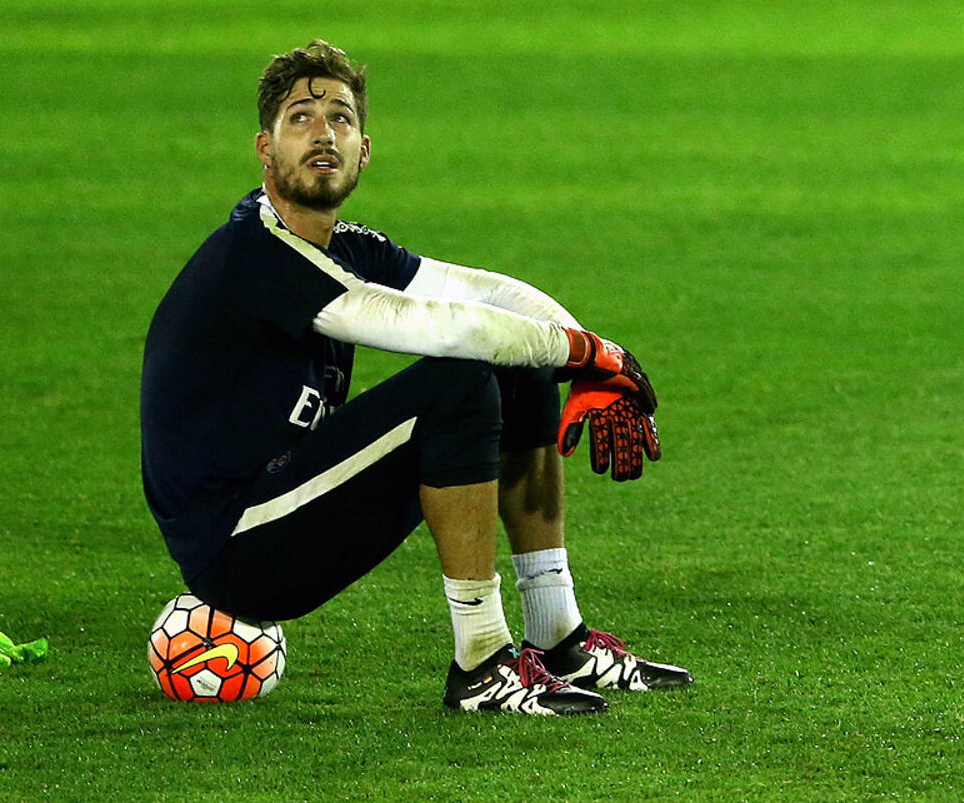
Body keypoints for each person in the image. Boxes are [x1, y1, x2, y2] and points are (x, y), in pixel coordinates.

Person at [140, 40, 692, 716]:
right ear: (265, 148)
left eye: (340, 118)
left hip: (295, 496)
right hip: (238, 546)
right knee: (458, 381)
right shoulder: (252, 256)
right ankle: (481, 662)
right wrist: (585, 354)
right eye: (300, 118)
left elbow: (485, 294)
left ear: (364, 150)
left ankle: (559, 639)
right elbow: (438, 328)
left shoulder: (345, 244)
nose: (323, 133)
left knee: (511, 368)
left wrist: (588, 355)